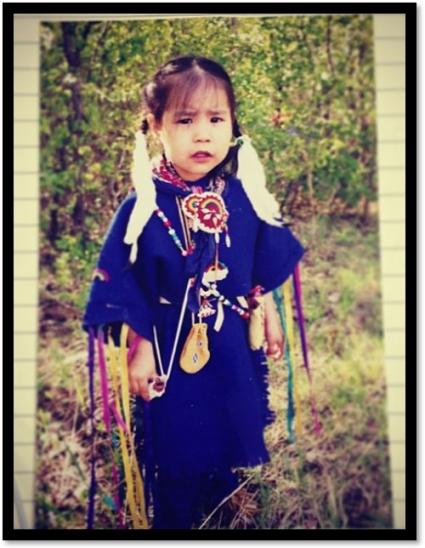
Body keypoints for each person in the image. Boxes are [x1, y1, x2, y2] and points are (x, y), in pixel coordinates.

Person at [83, 55, 305, 529]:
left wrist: (266, 310)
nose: (202, 134)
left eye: (215, 119)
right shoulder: (144, 207)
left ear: (233, 126)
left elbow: (257, 261)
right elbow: (127, 283)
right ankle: (176, 514)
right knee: (179, 432)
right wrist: (139, 349)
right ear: (156, 126)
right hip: (169, 345)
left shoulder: (242, 195)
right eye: (185, 120)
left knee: (228, 409)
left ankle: (222, 487)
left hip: (227, 341)